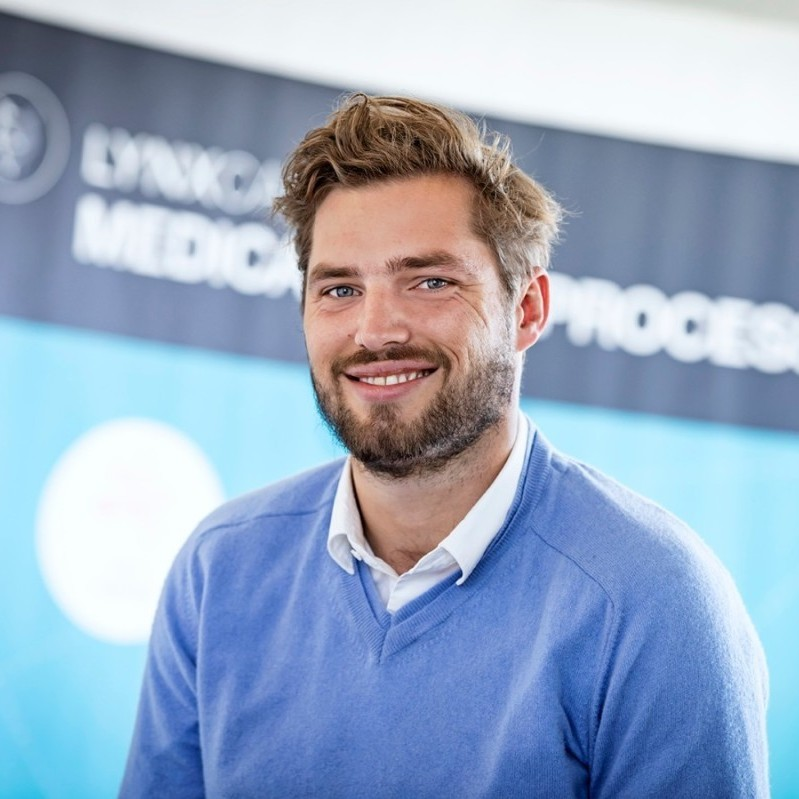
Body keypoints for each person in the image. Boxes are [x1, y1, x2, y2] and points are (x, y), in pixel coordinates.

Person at [120, 94, 769, 798]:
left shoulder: (653, 601)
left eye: (430, 281)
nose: (375, 330)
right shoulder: (220, 569)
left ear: (526, 310)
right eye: (339, 289)